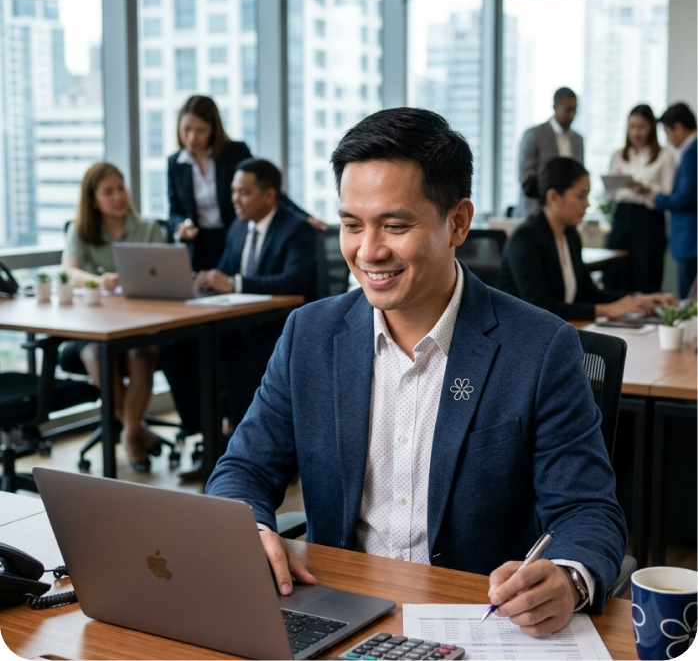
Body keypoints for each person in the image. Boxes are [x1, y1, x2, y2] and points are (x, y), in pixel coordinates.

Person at [206, 108, 627, 638]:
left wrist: (567, 577)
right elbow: (243, 469)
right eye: (352, 225)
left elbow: (589, 510)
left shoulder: (540, 348)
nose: (368, 251)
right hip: (339, 615)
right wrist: (251, 527)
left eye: (395, 225)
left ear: (458, 221)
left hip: (476, 620)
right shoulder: (309, 336)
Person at [159, 158, 316, 479]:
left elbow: (295, 282)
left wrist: (235, 283)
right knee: (175, 351)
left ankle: (258, 457)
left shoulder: (295, 228)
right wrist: (206, 280)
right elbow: (226, 272)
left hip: (282, 328)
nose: (234, 199)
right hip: (241, 324)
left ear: (269, 196)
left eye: (244, 193)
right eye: (233, 191)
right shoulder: (236, 228)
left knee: (236, 366)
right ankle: (210, 436)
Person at [62, 162, 163, 472]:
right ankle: (136, 432)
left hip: (139, 325)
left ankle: (130, 432)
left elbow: (164, 273)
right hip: (95, 327)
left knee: (140, 356)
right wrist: (95, 281)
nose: (118, 196)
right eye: (108, 192)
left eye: (120, 188)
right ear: (93, 200)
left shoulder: (148, 229)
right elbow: (69, 270)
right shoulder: (80, 230)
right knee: (95, 353)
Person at [499, 157, 671, 321]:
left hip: (561, 333)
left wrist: (637, 300)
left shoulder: (570, 234)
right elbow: (540, 307)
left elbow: (588, 293)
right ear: (554, 197)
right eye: (581, 196)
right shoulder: (525, 239)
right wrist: (607, 310)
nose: (587, 204)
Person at [168, 95, 252, 271]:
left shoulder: (235, 153)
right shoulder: (175, 163)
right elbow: (174, 210)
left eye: (201, 130)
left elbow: (265, 186)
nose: (192, 138)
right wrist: (180, 226)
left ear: (214, 129)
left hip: (233, 236)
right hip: (197, 242)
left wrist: (304, 217)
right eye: (187, 129)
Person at [604, 105, 676, 293]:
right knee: (617, 272)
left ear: (651, 127)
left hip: (648, 219)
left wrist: (644, 189)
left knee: (646, 273)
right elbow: (610, 194)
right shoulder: (619, 155)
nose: (636, 132)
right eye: (632, 127)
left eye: (641, 126)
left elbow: (669, 195)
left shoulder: (664, 155)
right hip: (622, 216)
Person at [650, 102, 698, 299]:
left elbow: (685, 197)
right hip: (691, 240)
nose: (667, 139)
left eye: (667, 132)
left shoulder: (692, 152)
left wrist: (658, 199)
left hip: (691, 240)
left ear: (678, 128)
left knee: (690, 304)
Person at [517, 87, 584, 217]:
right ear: (555, 107)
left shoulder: (578, 140)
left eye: (575, 110)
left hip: (567, 212)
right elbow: (525, 176)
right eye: (567, 110)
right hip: (536, 210)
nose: (572, 115)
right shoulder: (534, 134)